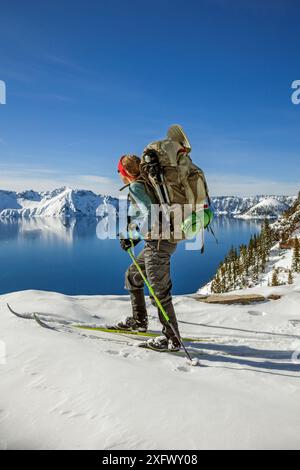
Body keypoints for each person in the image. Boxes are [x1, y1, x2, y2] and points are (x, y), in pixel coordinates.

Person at [116, 154, 181, 352]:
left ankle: (172, 340)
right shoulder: (149, 183)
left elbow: (150, 213)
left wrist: (133, 236)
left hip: (158, 243)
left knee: (159, 292)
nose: (119, 175)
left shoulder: (137, 186)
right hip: (161, 240)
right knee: (133, 276)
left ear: (125, 172)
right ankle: (139, 321)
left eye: (119, 171)